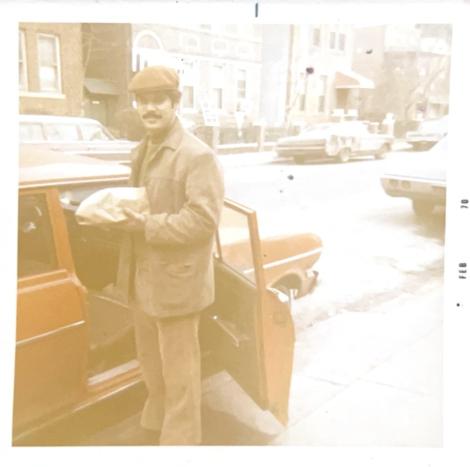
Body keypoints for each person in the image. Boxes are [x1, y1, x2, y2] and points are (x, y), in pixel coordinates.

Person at [114, 65, 224, 445]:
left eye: (158, 100)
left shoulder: (197, 155)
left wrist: (146, 225)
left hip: (177, 285)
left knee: (180, 378)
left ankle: (180, 443)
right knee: (152, 366)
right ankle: (155, 427)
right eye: (142, 101)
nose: (149, 108)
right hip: (142, 280)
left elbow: (203, 221)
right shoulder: (141, 150)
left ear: (175, 103)